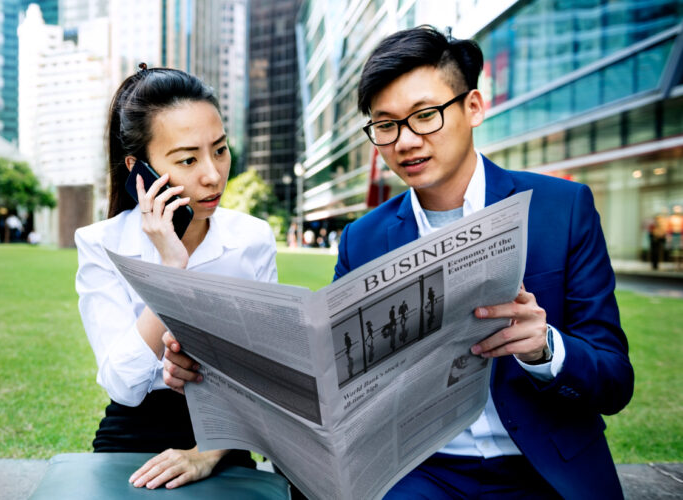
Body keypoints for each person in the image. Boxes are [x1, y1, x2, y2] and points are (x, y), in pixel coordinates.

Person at [164, 26, 632, 499]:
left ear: (473, 107)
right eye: (386, 125)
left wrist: (545, 348)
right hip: (417, 471)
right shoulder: (363, 239)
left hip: (544, 469)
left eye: (425, 116)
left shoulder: (562, 208)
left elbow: (615, 379)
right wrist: (214, 369)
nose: (406, 141)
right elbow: (328, 378)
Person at [73, 65, 277, 491]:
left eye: (219, 150)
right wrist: (171, 271)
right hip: (133, 435)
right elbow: (124, 385)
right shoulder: (100, 244)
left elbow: (268, 377)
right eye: (188, 159)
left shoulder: (251, 239)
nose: (212, 174)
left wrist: (207, 453)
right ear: (138, 169)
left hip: (225, 436)